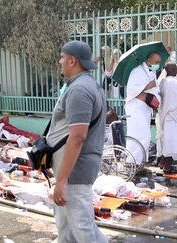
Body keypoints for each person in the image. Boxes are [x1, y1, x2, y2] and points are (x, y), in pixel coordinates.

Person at [47, 41, 107, 243]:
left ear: (72, 61)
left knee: (82, 230)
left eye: (62, 57)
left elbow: (78, 136)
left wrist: (62, 179)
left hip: (75, 171)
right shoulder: (81, 85)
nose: (60, 61)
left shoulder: (80, 90)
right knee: (66, 229)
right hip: (69, 169)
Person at [126, 52, 161, 165]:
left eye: (159, 62)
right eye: (156, 62)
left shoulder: (151, 72)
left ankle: (140, 162)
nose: (158, 65)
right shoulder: (136, 72)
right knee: (141, 135)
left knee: (143, 136)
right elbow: (131, 90)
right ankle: (132, 162)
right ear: (148, 61)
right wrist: (148, 86)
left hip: (145, 109)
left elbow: (153, 90)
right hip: (135, 108)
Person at [156, 64, 177, 174]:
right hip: (172, 117)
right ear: (173, 70)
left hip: (164, 115)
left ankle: (162, 163)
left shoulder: (162, 82)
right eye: (176, 68)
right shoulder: (174, 82)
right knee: (173, 143)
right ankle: (167, 167)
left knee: (166, 141)